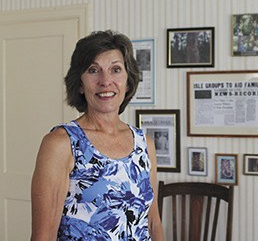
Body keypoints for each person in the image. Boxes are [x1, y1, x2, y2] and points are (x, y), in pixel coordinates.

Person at [31, 30, 165, 240]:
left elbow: (153, 223)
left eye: (116, 70)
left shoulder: (144, 144)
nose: (105, 81)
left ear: (128, 82)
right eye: (93, 70)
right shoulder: (61, 143)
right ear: (80, 84)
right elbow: (43, 236)